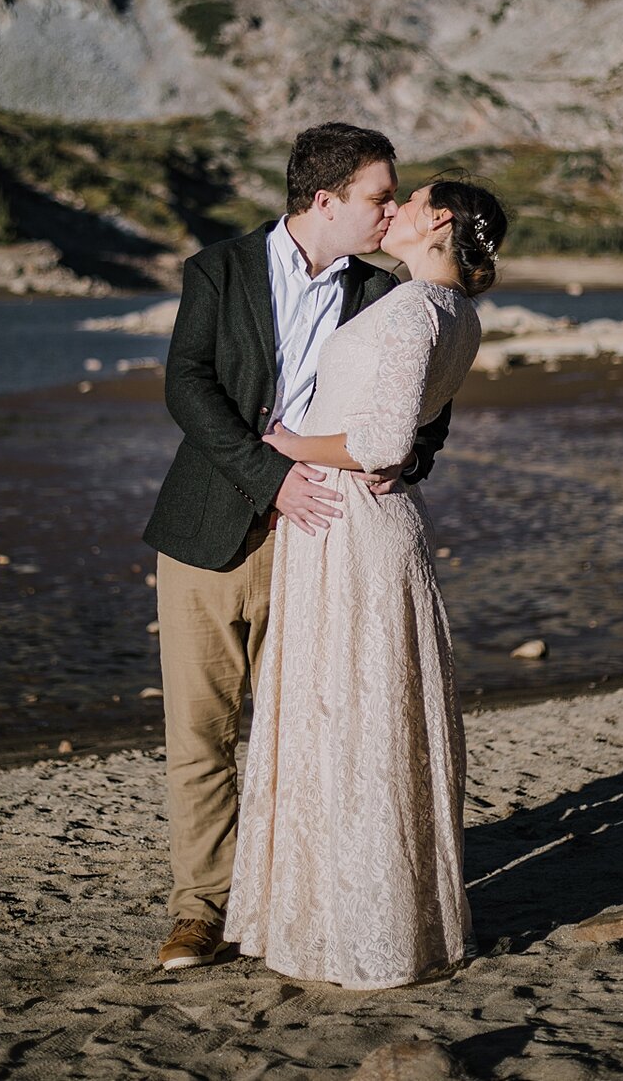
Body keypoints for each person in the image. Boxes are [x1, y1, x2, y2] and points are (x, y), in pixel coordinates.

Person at [143, 123, 454, 970]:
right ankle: (199, 912)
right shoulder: (221, 269)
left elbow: (426, 403)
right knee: (201, 735)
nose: (391, 211)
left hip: (324, 550)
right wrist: (269, 476)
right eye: (380, 197)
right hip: (208, 531)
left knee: (307, 731)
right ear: (325, 200)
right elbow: (187, 385)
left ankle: (289, 900)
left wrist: (409, 460)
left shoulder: (384, 290)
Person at [223, 177, 507, 989]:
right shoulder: (458, 312)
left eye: (409, 202)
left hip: (348, 525)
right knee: (360, 719)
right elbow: (402, 435)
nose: (394, 213)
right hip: (356, 524)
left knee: (349, 722)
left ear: (440, 222)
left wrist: (286, 445)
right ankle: (355, 915)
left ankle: (358, 929)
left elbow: (384, 441)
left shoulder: (420, 309)